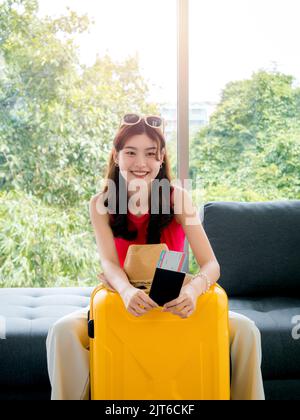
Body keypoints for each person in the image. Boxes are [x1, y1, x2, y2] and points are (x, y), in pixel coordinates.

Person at [46, 114, 265, 400]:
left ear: (161, 159)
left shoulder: (178, 198)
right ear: (116, 155)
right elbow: (109, 263)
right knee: (62, 332)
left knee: (247, 331)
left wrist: (194, 291)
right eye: (131, 153)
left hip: (176, 299)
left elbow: (211, 265)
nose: (141, 163)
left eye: (151, 154)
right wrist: (125, 291)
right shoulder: (100, 204)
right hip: (124, 299)